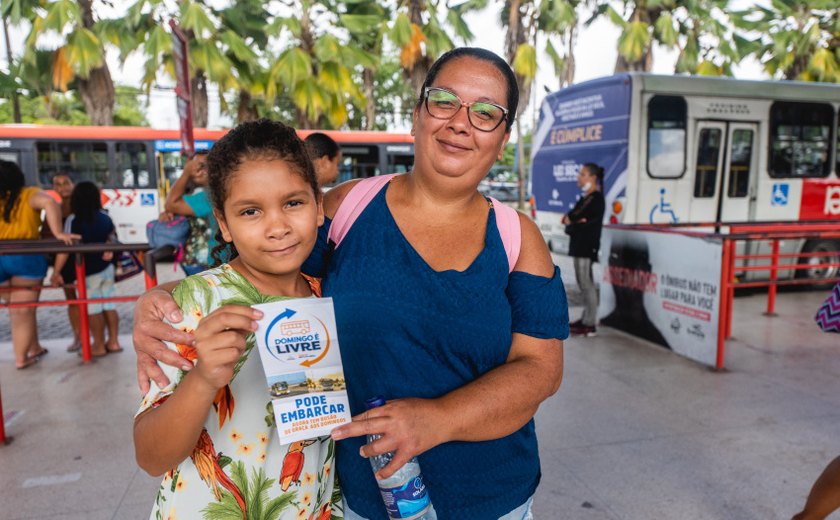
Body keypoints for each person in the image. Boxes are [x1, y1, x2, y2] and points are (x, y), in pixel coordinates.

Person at [133, 47, 568, 519]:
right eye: (444, 101)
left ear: (503, 139)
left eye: (486, 113)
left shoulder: (516, 236)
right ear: (417, 115)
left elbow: (541, 369)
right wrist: (161, 300)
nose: (461, 122)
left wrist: (438, 420)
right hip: (355, 501)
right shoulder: (347, 210)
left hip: (494, 498)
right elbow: (263, 261)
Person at [133, 119, 340, 519]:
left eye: (293, 203)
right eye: (250, 211)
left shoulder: (326, 297)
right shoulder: (193, 305)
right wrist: (203, 378)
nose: (277, 227)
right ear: (224, 224)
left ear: (318, 205)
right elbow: (150, 456)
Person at [0, 160, 78, 369]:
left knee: (14, 308)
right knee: (23, 310)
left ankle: (34, 347)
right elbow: (49, 203)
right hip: (25, 256)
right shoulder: (28, 194)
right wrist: (59, 233)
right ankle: (21, 358)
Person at [52, 181, 122, 357]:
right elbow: (113, 239)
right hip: (106, 269)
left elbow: (66, 247)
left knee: (93, 308)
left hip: (88, 272)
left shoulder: (73, 220)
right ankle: (113, 342)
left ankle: (98, 345)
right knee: (109, 305)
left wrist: (56, 272)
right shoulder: (105, 217)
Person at [562, 163, 605, 337]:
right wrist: (574, 223)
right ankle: (586, 318)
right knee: (583, 284)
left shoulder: (596, 199)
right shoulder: (585, 198)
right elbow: (570, 218)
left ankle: (590, 323)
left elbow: (582, 223)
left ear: (593, 178)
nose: (579, 178)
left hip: (586, 246)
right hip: (579, 245)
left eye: (583, 174)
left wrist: (573, 225)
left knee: (587, 284)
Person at [162, 150, 217, 275]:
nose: (197, 171)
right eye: (193, 165)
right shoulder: (198, 193)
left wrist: (186, 173)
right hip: (198, 261)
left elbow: (171, 204)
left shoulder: (208, 196)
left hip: (203, 263)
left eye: (203, 166)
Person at [51, 172, 82, 352]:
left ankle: (92, 337)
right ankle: (78, 336)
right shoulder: (54, 208)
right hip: (64, 261)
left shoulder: (82, 206)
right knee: (71, 300)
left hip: (81, 259)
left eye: (65, 182)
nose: (62, 187)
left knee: (91, 299)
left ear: (72, 183)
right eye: (57, 184)